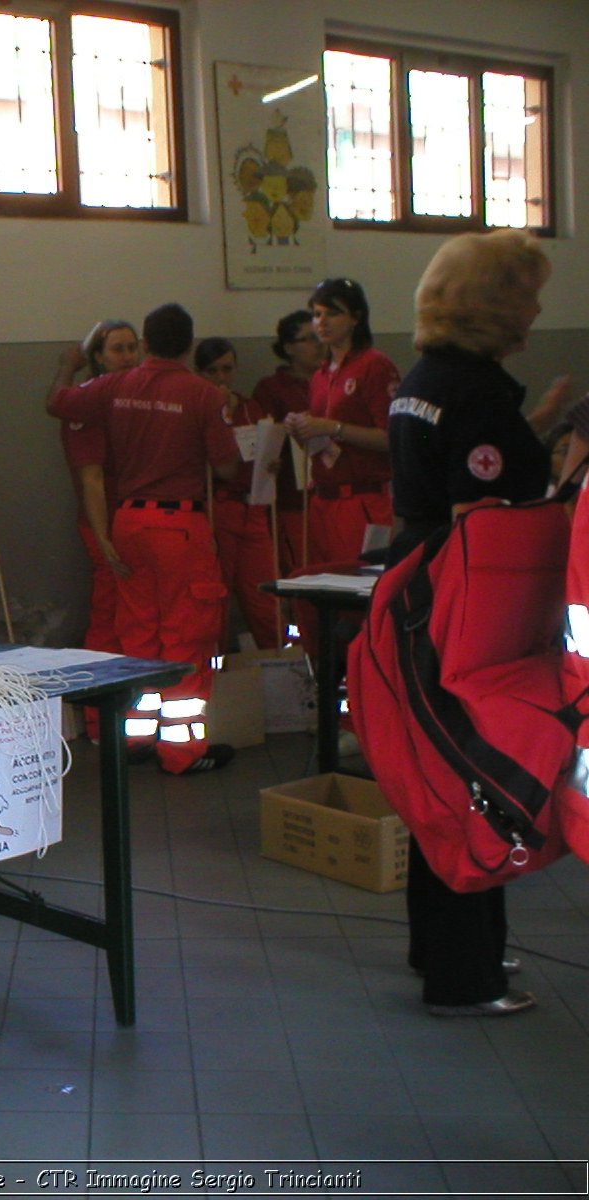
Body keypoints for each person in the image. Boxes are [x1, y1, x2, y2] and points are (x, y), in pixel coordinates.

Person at [388, 229, 570, 1018]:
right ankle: (467, 978)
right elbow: (482, 525)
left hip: (415, 596)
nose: (536, 308)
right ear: (494, 305)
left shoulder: (422, 378)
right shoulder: (480, 393)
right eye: (526, 294)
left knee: (438, 780)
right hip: (464, 618)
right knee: (480, 786)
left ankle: (440, 947)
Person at [47, 303, 240, 774]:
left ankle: (133, 738)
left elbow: (59, 403)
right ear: (190, 346)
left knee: (137, 633)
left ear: (147, 344)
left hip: (128, 523)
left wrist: (67, 367)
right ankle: (181, 752)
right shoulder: (202, 394)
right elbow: (228, 467)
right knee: (185, 636)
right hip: (180, 527)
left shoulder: (115, 386)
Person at [55, 320, 139, 739]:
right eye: (118, 349)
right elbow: (91, 479)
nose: (128, 356)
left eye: (132, 348)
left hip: (131, 521)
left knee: (129, 616)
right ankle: (98, 720)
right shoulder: (87, 406)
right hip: (105, 525)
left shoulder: (129, 401)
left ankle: (116, 716)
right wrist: (105, 539)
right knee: (109, 619)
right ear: (98, 358)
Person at [284, 278, 400, 564]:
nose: (322, 322)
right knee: (320, 591)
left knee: (357, 585)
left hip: (360, 499)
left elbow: (392, 437)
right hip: (323, 497)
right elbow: (320, 443)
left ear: (355, 318)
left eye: (332, 313)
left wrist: (334, 428)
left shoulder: (374, 365)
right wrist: (302, 430)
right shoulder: (321, 375)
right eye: (317, 314)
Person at [196, 337, 286, 650]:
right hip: (220, 508)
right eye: (212, 371)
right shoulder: (201, 409)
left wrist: (271, 462)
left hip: (254, 507)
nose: (221, 378)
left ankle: (279, 665)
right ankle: (213, 674)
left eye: (227, 369)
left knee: (264, 598)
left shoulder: (250, 407)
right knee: (217, 597)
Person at [251, 311, 325, 574]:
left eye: (319, 338)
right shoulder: (272, 389)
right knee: (301, 571)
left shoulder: (331, 380)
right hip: (293, 501)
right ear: (288, 348)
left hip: (330, 496)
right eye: (308, 339)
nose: (318, 345)